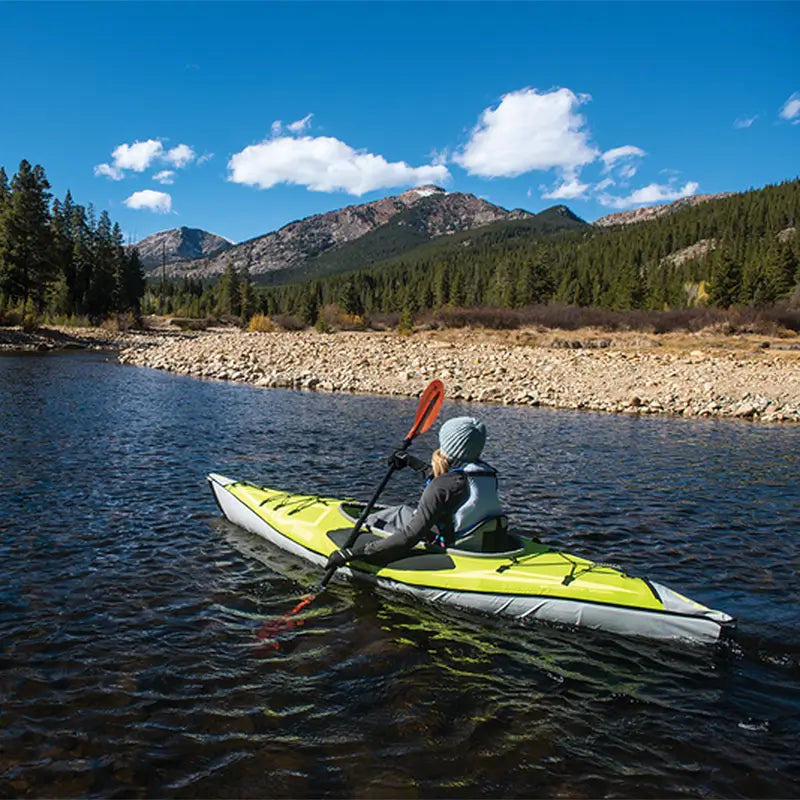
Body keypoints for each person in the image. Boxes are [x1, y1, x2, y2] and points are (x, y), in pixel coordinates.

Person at [326, 416, 506, 567]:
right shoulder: (485, 474)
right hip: (477, 539)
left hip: (449, 547)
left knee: (384, 521)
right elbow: (448, 485)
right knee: (401, 511)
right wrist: (411, 462)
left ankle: (363, 532)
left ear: (449, 445)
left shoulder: (442, 486)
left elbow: (410, 537)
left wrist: (357, 552)